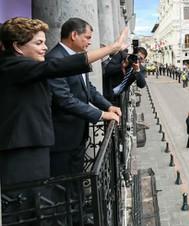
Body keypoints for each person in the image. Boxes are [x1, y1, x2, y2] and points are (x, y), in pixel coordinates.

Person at [0, 17, 127, 225]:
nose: (45, 48)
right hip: (22, 151)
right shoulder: (12, 66)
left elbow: (86, 89)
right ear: (17, 47)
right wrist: (112, 48)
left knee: (39, 202)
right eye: (38, 43)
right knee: (26, 207)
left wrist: (105, 106)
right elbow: (59, 74)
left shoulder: (25, 67)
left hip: (36, 146)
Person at [46, 17, 124, 178]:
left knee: (76, 180)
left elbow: (88, 89)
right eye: (87, 37)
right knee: (64, 186)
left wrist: (108, 106)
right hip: (62, 138)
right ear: (74, 35)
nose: (90, 42)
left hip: (77, 135)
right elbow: (64, 99)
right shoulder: (55, 58)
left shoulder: (76, 57)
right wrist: (101, 115)